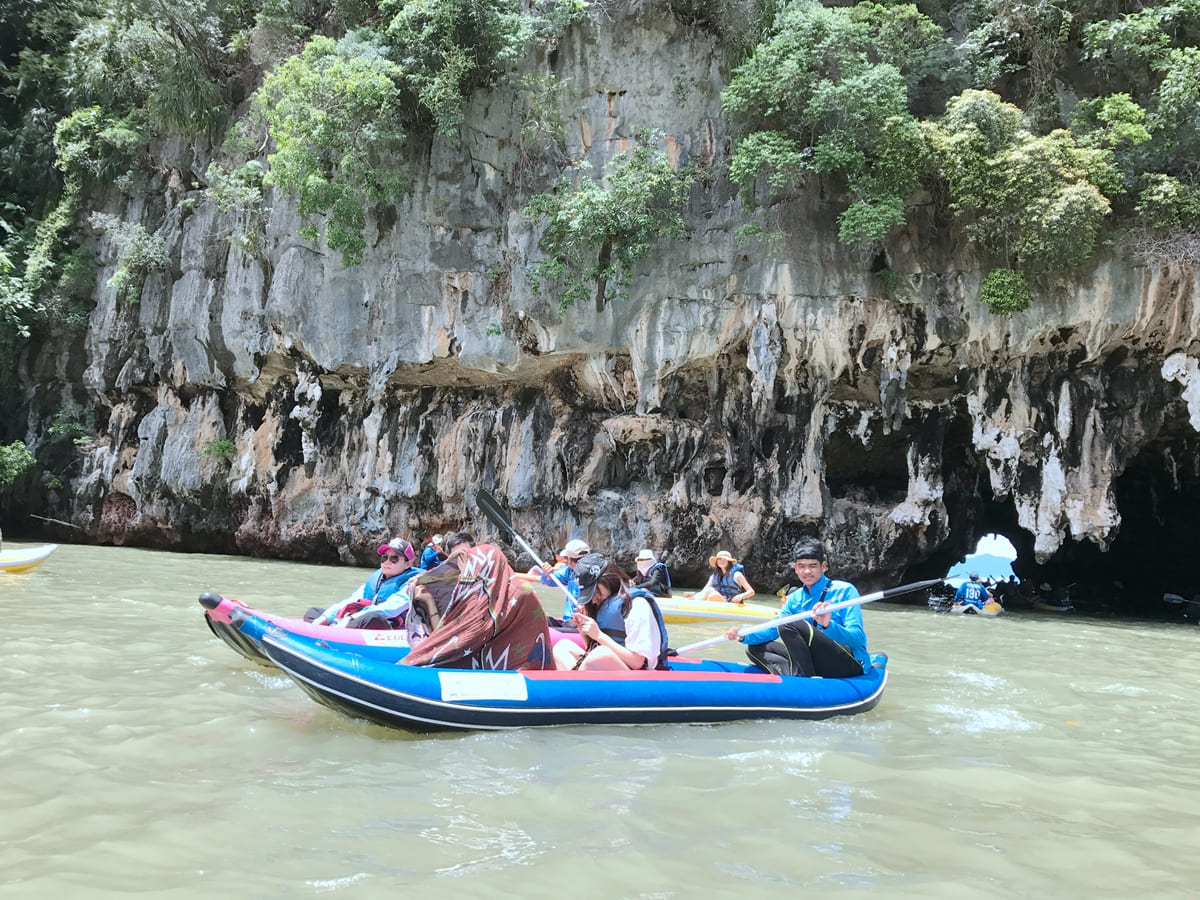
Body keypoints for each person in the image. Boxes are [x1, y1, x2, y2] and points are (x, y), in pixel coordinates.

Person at [725, 538, 867, 678]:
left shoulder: (845, 591)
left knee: (788, 622)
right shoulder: (795, 599)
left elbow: (858, 639)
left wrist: (829, 625)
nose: (806, 571)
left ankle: (801, 677)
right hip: (816, 662)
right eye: (801, 566)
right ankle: (797, 675)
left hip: (846, 662)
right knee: (755, 647)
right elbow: (773, 628)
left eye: (812, 566)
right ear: (795, 569)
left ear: (823, 567)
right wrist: (744, 634)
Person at [401, 543, 554, 670]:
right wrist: (429, 601)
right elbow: (449, 637)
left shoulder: (519, 594)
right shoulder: (474, 598)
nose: (461, 576)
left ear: (484, 569)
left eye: (467, 569)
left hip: (520, 671)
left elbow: (460, 639)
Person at [554, 553, 669, 671]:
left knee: (601, 654)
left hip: (639, 675)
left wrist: (598, 635)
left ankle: (574, 684)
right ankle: (571, 683)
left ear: (607, 579)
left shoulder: (637, 604)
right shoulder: (602, 605)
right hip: (611, 668)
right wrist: (584, 631)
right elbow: (592, 649)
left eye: (594, 591)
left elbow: (637, 662)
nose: (592, 599)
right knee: (562, 646)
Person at [306, 537, 420, 627]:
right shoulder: (376, 580)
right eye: (384, 557)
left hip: (386, 624)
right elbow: (352, 600)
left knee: (372, 618)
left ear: (407, 564)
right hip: (359, 617)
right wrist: (327, 617)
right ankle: (336, 628)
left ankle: (340, 630)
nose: (387, 562)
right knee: (313, 612)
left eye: (394, 558)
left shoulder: (412, 583)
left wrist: (353, 618)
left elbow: (391, 609)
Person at [537, 538, 591, 618]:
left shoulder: (593, 575)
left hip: (577, 621)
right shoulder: (569, 572)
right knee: (543, 619)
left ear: (569, 560)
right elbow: (550, 581)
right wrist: (547, 573)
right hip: (568, 620)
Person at [690, 550, 755, 604]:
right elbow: (705, 590)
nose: (722, 561)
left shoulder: (737, 574)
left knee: (713, 595)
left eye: (725, 559)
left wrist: (742, 596)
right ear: (717, 562)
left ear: (729, 561)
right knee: (709, 591)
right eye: (719, 559)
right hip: (719, 601)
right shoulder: (714, 576)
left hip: (732, 603)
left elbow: (751, 592)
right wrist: (695, 595)